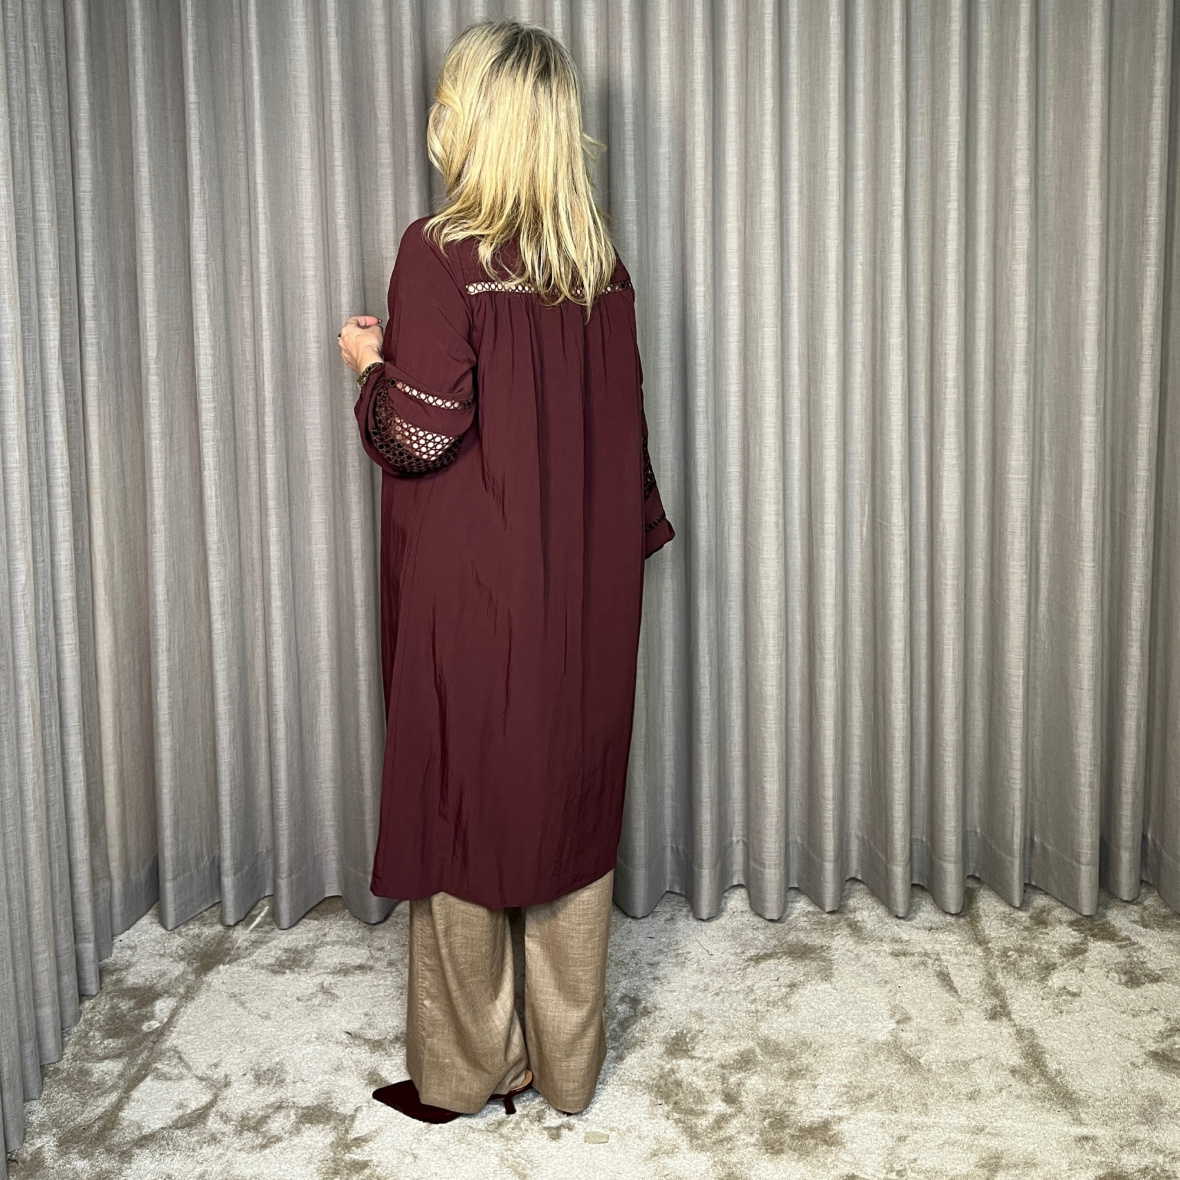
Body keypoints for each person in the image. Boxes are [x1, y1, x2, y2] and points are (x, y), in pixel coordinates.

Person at [337, 16, 674, 1123]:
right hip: (586, 586)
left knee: (464, 806)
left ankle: (464, 1072)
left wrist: (370, 364)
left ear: (469, 121)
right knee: (570, 802)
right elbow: (625, 434)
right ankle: (566, 1071)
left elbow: (419, 436)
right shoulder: (600, 266)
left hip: (479, 592)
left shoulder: (440, 253)